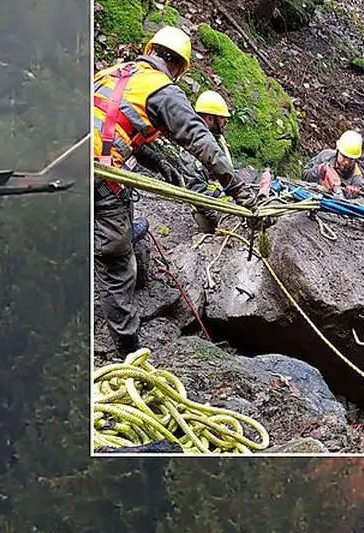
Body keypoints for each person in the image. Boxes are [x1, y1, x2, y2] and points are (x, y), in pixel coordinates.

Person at [93, 26, 254, 354]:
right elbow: (201, 143)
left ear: (150, 50)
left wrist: (159, 163)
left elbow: (113, 122)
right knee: (117, 267)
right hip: (100, 177)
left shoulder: (111, 73)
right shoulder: (163, 90)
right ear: (179, 67)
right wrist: (240, 191)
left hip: (66, 161)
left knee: (120, 205)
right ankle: (130, 354)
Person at [168, 90, 234, 233]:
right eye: (222, 118)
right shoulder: (191, 153)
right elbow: (198, 195)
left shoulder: (217, 139)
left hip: (226, 201)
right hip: (209, 212)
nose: (225, 122)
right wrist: (217, 219)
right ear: (209, 119)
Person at [301, 130, 364, 199]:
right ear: (338, 150)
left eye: (351, 159)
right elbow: (304, 175)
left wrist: (353, 194)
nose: (346, 162)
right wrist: (319, 170)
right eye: (344, 156)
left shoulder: (356, 178)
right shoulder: (325, 156)